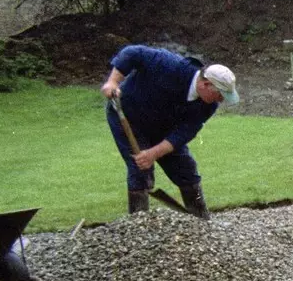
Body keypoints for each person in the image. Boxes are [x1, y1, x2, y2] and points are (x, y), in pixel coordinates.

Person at [101, 45, 239, 219]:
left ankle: (201, 220)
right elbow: (132, 53)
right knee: (140, 171)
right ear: (205, 84)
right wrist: (113, 82)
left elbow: (184, 132)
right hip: (130, 118)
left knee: (187, 170)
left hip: (164, 128)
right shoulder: (169, 65)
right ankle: (137, 225)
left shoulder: (208, 106)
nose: (221, 100)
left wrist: (153, 153)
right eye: (220, 94)